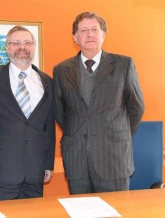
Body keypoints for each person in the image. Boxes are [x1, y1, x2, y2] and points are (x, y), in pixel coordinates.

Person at [53, 12, 144, 194]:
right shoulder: (61, 70)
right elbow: (60, 112)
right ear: (75, 38)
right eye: (84, 30)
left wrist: (117, 132)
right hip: (77, 160)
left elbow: (136, 108)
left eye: (95, 29)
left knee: (116, 212)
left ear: (103, 34)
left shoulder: (123, 65)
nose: (90, 34)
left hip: (113, 157)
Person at [0, 25, 55, 201]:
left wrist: (47, 164)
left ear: (34, 47)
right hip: (1, 170)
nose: (22, 48)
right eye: (16, 43)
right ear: (7, 48)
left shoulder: (48, 81)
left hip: (35, 172)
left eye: (27, 43)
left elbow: (48, 126)